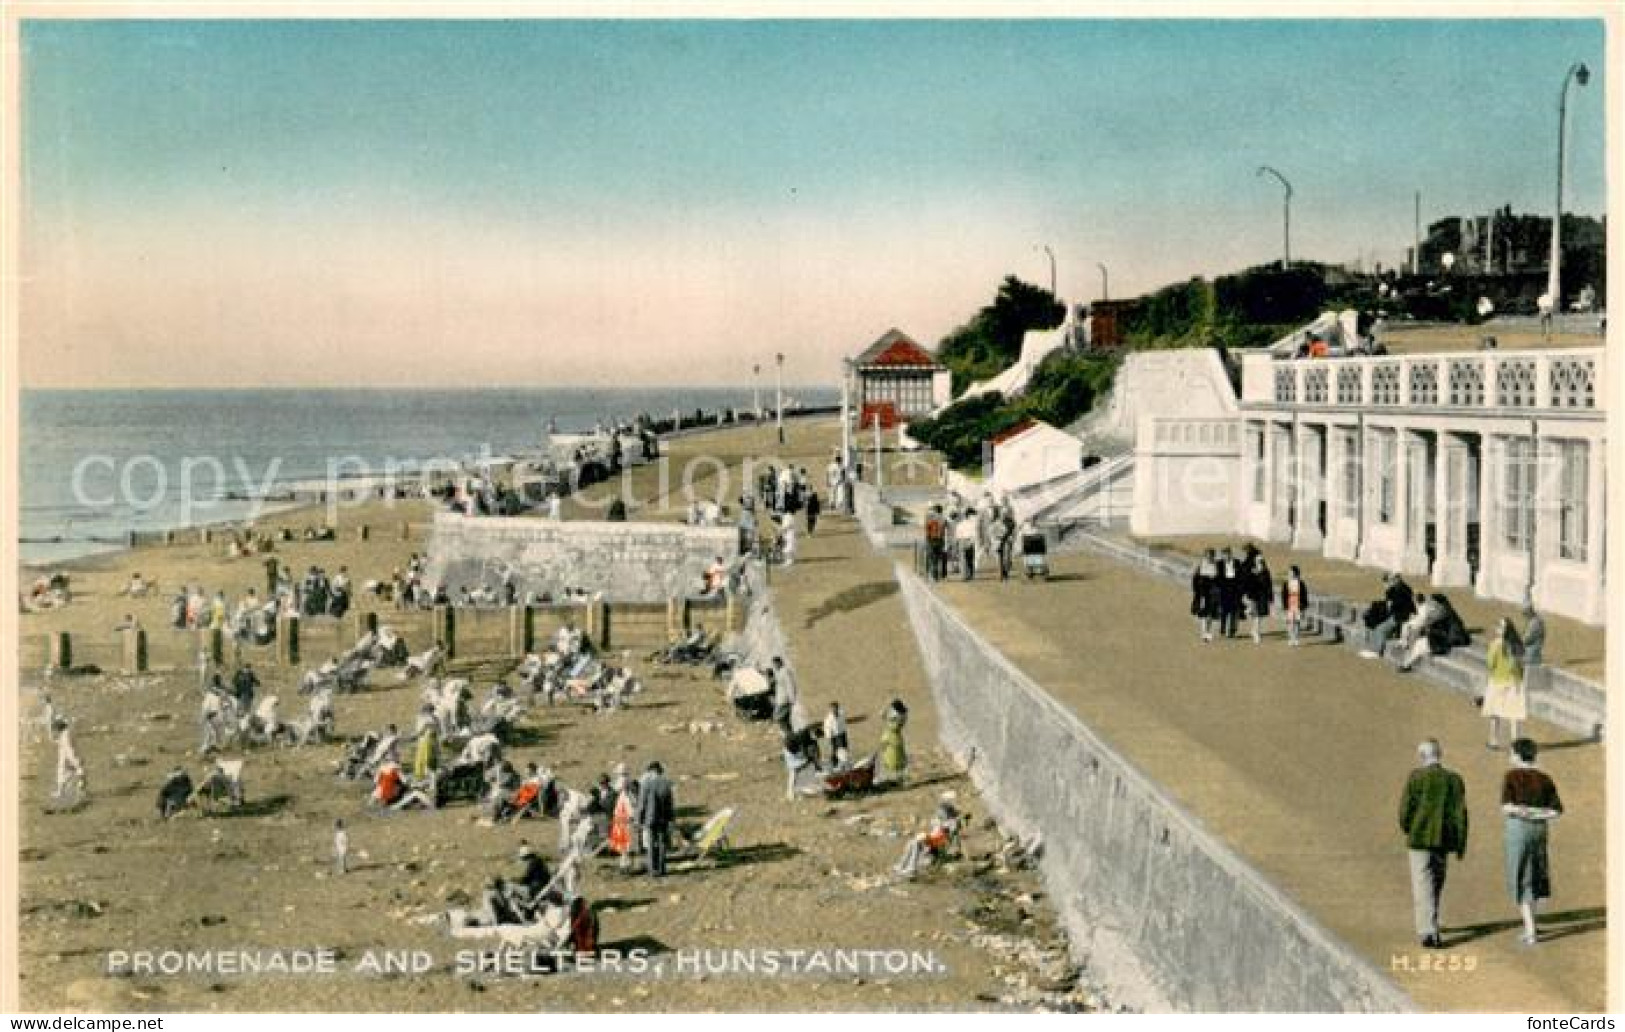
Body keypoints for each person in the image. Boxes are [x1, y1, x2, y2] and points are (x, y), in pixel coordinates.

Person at [1397, 739, 1469, 949]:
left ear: (1422, 756)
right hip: (1443, 840)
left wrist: (1409, 828)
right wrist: (1460, 842)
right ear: (1440, 754)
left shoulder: (1416, 778)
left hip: (1420, 838)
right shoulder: (1454, 780)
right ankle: (1432, 922)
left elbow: (1405, 810)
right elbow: (1460, 814)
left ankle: (1428, 930)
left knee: (1422, 883)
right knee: (1436, 881)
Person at [1502, 738, 1563, 946]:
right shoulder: (1545, 778)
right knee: (1535, 874)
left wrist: (1524, 811)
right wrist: (1537, 813)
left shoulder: (1511, 776)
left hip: (1518, 829)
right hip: (1539, 830)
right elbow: (1556, 810)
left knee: (1520, 876)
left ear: (1518, 756)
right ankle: (1532, 924)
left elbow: (1507, 807)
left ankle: (1530, 929)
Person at [1482, 618, 1526, 750]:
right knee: (1514, 714)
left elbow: (1490, 664)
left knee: (1494, 713)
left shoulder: (1495, 645)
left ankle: (1494, 740)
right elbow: (1521, 666)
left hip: (1497, 681)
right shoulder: (1517, 645)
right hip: (1514, 682)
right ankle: (1515, 743)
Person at [1361, 573, 1417, 659]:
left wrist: (1389, 597)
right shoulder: (1397, 588)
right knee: (1376, 624)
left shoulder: (1403, 590)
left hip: (1400, 616)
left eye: (1392, 579)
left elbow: (1394, 604)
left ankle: (1377, 651)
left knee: (1380, 629)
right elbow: (1390, 602)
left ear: (1397, 579)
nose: (1391, 581)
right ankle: (1372, 648)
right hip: (1396, 614)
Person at [636, 761, 675, 878]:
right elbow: (670, 804)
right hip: (663, 818)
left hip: (650, 818)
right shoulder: (667, 784)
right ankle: (662, 868)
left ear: (651, 771)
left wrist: (639, 819)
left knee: (651, 843)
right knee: (662, 843)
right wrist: (671, 818)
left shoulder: (646, 783)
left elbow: (642, 804)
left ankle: (652, 869)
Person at [1245, 552, 1272, 644]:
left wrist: (1270, 597)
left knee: (1259, 615)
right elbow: (1248, 584)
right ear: (1255, 562)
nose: (1260, 563)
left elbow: (1269, 585)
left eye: (1261, 561)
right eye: (1258, 561)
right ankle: (1256, 632)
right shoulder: (1252, 571)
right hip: (1254, 596)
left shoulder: (1266, 572)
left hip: (1262, 596)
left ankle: (1255, 631)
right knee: (1255, 615)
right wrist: (1248, 595)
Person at [1280, 565, 1310, 647]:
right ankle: (1291, 638)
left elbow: (1304, 596)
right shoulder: (1286, 583)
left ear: (1296, 573)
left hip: (1298, 605)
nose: (1290, 574)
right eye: (1289, 572)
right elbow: (1283, 596)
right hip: (1289, 605)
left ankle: (1296, 638)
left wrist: (1304, 607)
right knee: (1290, 623)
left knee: (1297, 623)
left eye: (1291, 572)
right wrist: (1284, 607)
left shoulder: (1301, 583)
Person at [880, 699, 909, 783]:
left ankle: (896, 778)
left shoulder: (898, 717)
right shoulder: (902, 715)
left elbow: (892, 725)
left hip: (892, 737)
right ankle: (898, 777)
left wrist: (886, 716)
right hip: (895, 737)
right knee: (895, 758)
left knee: (893, 758)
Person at [1192, 550, 1217, 642]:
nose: (1210, 557)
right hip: (1203, 594)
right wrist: (1197, 592)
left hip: (1213, 594)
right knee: (1203, 614)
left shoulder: (1216, 566)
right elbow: (1195, 579)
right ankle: (1204, 633)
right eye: (1208, 556)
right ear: (1205, 556)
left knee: (1210, 615)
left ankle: (1208, 632)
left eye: (1211, 556)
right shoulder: (1201, 566)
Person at [954, 508, 980, 582]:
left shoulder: (960, 524)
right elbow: (974, 534)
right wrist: (971, 542)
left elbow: (958, 535)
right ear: (969, 515)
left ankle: (964, 576)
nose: (974, 517)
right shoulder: (972, 524)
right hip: (968, 540)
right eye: (973, 516)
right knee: (969, 559)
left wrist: (959, 541)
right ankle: (969, 575)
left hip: (962, 541)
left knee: (964, 559)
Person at [823, 701, 850, 770]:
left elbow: (843, 723)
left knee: (845, 749)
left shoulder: (842, 713)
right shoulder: (828, 719)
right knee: (835, 751)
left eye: (835, 708)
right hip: (834, 736)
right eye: (832, 709)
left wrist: (845, 732)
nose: (834, 710)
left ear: (838, 708)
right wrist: (829, 739)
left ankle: (845, 764)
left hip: (842, 734)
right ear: (830, 709)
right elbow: (827, 730)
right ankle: (835, 765)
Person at [995, 506, 1017, 582]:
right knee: (999, 559)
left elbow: (1014, 531)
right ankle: (1001, 575)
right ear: (1000, 513)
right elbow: (992, 532)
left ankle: (1006, 572)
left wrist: (1012, 537)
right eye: (1002, 512)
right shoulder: (996, 522)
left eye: (1005, 512)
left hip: (1007, 541)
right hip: (998, 542)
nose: (1003, 514)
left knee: (1007, 558)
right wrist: (995, 539)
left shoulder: (1011, 521)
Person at [1522, 604, 1547, 670]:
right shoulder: (1535, 621)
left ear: (1529, 612)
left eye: (1525, 614)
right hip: (1534, 654)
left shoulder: (1535, 623)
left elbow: (1527, 639)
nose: (1524, 616)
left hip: (1531, 656)